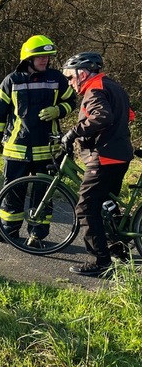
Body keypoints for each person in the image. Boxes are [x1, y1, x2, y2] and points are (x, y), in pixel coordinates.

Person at [0, 35, 77, 246]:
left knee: (43, 194)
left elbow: (72, 101)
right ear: (28, 58)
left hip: (47, 148)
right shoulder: (12, 80)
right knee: (12, 193)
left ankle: (36, 236)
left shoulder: (57, 79)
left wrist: (59, 110)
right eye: (40, 56)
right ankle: (8, 231)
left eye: (47, 56)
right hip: (16, 148)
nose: (45, 60)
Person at [60, 52, 134, 277]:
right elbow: (129, 115)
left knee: (86, 208)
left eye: (70, 77)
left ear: (82, 73)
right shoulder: (112, 86)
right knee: (107, 206)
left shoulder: (94, 89)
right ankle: (118, 250)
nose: (70, 83)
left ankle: (99, 262)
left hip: (104, 157)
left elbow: (102, 117)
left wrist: (73, 132)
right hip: (120, 155)